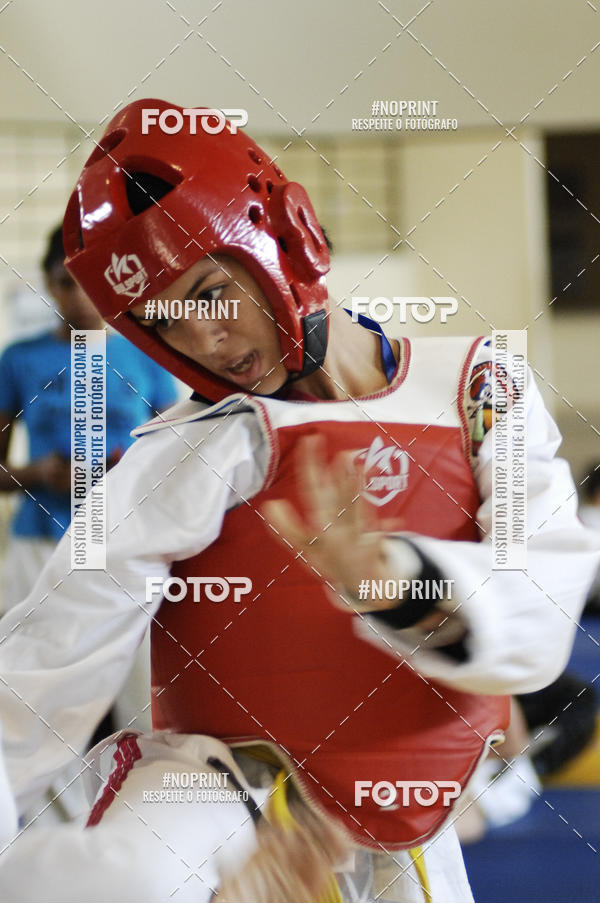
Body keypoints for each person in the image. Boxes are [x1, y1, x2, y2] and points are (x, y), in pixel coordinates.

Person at [0, 98, 598, 903]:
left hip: (402, 829)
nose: (201, 340)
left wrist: (400, 582)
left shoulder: (481, 387)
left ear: (289, 234)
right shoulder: (189, 447)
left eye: (210, 293)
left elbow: (541, 598)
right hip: (214, 795)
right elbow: (42, 667)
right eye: (164, 323)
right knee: (129, 880)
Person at [0, 225, 178, 610]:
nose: (80, 297)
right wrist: (37, 474)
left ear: (109, 285)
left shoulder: (147, 355)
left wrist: (120, 473)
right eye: (67, 283)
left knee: (128, 648)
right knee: (32, 646)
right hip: (41, 542)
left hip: (125, 539)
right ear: (49, 284)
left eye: (90, 284)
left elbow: (176, 460)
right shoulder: (18, 359)